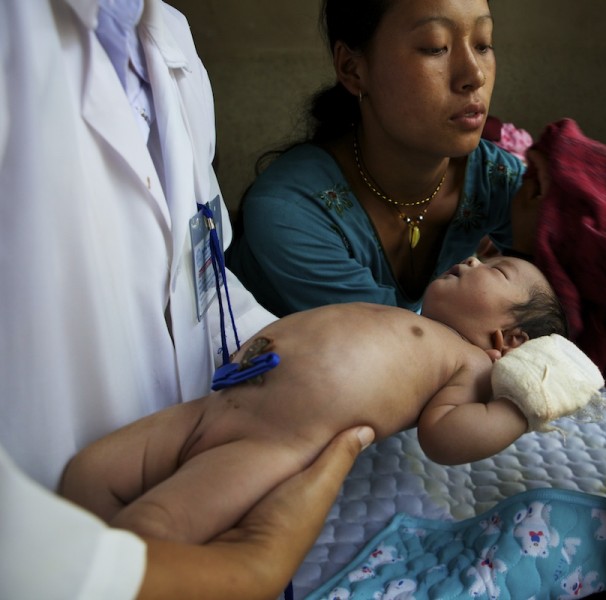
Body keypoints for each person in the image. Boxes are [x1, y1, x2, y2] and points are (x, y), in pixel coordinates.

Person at [0, 0, 370, 596]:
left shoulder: (167, 37)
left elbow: (202, 282)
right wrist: (243, 569)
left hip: (188, 495)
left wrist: (324, 364)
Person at [58, 256, 573, 545]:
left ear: (508, 341)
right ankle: (72, 568)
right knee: (86, 475)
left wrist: (517, 406)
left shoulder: (470, 364)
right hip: (216, 404)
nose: (474, 258)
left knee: (152, 530)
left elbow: (445, 437)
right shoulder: (409, 319)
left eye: (497, 269)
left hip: (271, 443)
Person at [226, 0, 544, 315]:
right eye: (436, 47)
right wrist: (524, 255)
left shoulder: (493, 178)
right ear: (353, 70)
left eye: (483, 44)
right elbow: (407, 353)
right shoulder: (291, 214)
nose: (475, 74)